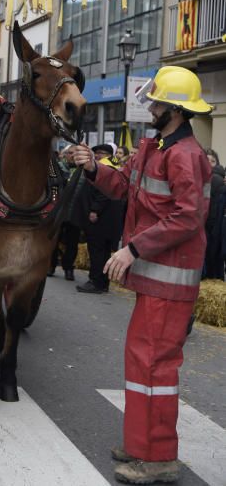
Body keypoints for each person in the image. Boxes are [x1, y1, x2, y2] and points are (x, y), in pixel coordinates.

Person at [73, 65, 212, 485]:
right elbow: (124, 188)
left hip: (168, 286)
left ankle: (157, 460)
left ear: (173, 109)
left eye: (155, 102)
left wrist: (133, 249)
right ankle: (141, 446)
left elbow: (188, 218)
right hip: (156, 282)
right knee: (142, 364)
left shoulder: (185, 156)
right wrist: (92, 166)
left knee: (156, 369)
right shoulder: (155, 148)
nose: (149, 106)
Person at [76, 144, 124, 294]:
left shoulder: (106, 168)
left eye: (101, 153)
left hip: (101, 218)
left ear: (109, 154)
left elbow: (104, 192)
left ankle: (95, 281)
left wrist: (95, 210)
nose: (97, 155)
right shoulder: (114, 165)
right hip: (109, 219)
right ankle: (103, 282)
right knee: (102, 252)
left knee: (97, 250)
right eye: (95, 153)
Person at [48, 146, 81, 281]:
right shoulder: (57, 168)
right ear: (65, 154)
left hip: (75, 210)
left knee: (72, 242)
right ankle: (50, 266)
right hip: (58, 210)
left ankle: (69, 268)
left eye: (75, 153)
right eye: (70, 153)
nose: (73, 156)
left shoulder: (84, 170)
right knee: (53, 240)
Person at [203, 148, 225, 279]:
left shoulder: (216, 180)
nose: (209, 163)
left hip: (211, 229)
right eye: (207, 160)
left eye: (213, 161)